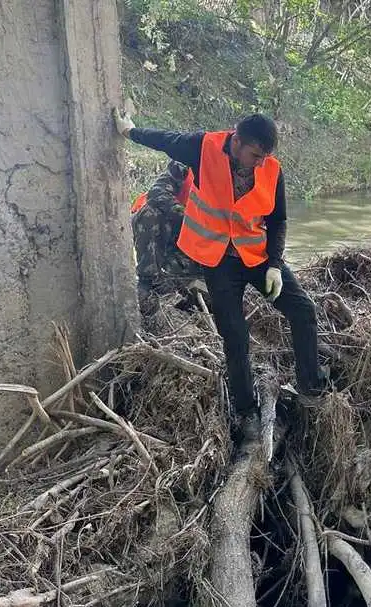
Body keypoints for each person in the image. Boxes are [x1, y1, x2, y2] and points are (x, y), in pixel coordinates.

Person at [113, 110, 326, 442]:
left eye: (265, 156)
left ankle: (311, 390)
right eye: (254, 155)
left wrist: (274, 263)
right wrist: (129, 131)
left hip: (256, 257)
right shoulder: (203, 147)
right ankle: (246, 413)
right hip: (218, 261)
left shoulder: (270, 169)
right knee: (235, 335)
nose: (259, 163)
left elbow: (279, 219)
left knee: (303, 310)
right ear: (236, 142)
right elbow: (165, 139)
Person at [128, 159, 199, 315]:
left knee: (177, 285)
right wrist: (188, 219)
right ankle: (146, 280)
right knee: (151, 212)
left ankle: (168, 287)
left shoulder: (237, 180)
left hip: (192, 242)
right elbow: (157, 193)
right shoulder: (185, 163)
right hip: (162, 228)